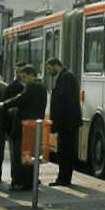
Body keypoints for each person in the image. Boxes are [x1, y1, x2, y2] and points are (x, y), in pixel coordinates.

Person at [6, 65, 47, 190]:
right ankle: (29, 181)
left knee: (21, 155)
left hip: (25, 127)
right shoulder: (41, 87)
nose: (23, 80)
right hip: (33, 126)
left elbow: (21, 99)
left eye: (24, 77)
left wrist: (5, 104)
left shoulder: (33, 87)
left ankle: (21, 182)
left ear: (31, 75)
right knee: (29, 155)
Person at [44, 57, 82, 186]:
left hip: (68, 123)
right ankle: (63, 178)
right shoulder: (64, 77)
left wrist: (59, 122)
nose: (48, 72)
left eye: (49, 68)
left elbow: (66, 102)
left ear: (56, 65)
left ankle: (64, 179)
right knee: (64, 151)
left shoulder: (67, 77)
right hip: (66, 123)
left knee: (66, 152)